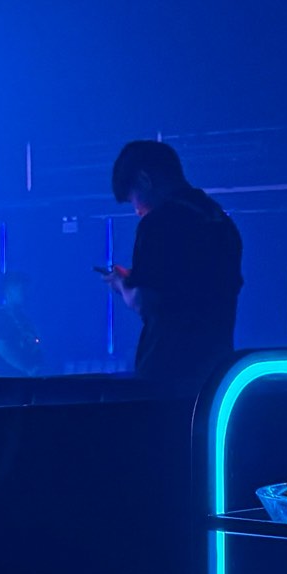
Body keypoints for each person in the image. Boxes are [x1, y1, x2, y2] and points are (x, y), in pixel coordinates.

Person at [106, 140, 242, 396]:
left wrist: (121, 284)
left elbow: (145, 301)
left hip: (167, 374)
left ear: (145, 179)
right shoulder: (217, 219)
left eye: (135, 201)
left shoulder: (159, 222)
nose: (137, 211)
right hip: (217, 370)